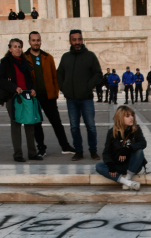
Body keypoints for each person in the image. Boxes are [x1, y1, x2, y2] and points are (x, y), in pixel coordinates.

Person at [27, 31, 75, 157]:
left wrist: (55, 92)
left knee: (56, 122)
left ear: (40, 41)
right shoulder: (25, 57)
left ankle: (65, 146)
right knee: (37, 124)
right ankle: (41, 148)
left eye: (38, 40)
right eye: (33, 40)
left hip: (48, 96)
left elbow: (55, 76)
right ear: (29, 42)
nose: (36, 42)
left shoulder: (47, 57)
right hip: (33, 97)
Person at [57, 29, 103, 161]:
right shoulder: (66, 57)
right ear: (70, 41)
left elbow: (98, 74)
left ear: (82, 40)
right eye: (74, 39)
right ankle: (79, 151)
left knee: (91, 126)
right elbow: (59, 74)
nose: (77, 42)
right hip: (71, 99)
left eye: (79, 39)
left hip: (86, 98)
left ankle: (93, 150)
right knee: (74, 127)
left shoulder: (90, 56)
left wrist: (88, 86)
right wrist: (63, 87)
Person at [0, 38, 40, 162]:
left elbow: (30, 80)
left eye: (19, 46)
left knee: (30, 124)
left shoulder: (25, 62)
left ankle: (32, 153)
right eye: (15, 46)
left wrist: (33, 89)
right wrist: (14, 88)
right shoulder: (6, 62)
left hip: (26, 95)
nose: (17, 49)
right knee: (16, 125)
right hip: (13, 97)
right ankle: (18, 154)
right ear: (10, 49)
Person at [95, 105, 146, 192]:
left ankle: (128, 178)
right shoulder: (112, 132)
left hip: (132, 165)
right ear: (120, 118)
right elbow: (106, 152)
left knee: (139, 152)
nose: (131, 118)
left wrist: (128, 149)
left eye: (132, 115)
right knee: (99, 166)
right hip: (118, 164)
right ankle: (127, 183)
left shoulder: (136, 129)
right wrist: (110, 165)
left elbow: (143, 143)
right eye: (127, 116)